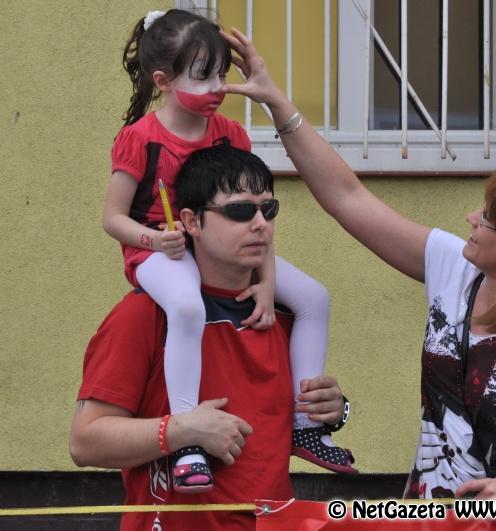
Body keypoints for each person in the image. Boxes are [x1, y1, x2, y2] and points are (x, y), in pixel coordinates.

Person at [220, 28, 496, 499]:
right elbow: (347, 197)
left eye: (488, 218)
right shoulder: (454, 268)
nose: (471, 218)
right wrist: (276, 103)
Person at [102, 8, 354, 491]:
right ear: (163, 81)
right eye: (203, 76)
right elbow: (112, 218)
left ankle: (306, 424)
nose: (218, 87)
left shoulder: (231, 134)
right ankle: (187, 437)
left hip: (209, 248)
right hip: (159, 251)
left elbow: (256, 213)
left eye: (222, 74)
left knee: (314, 298)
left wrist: (267, 283)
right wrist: (155, 240)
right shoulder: (140, 139)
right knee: (185, 306)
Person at [70, 144, 349, 530]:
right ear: (191, 222)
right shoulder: (146, 314)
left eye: (268, 209)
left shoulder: (284, 313)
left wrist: (334, 409)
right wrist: (181, 430)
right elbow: (85, 442)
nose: (260, 224)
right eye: (240, 211)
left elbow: (275, 430)